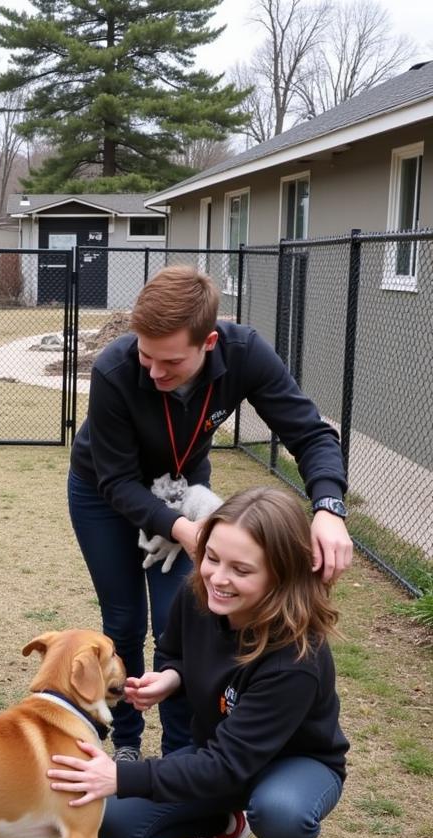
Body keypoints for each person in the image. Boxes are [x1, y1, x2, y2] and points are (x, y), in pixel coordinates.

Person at [68, 265, 352, 762]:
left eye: (171, 362)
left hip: (184, 493)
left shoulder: (246, 354)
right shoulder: (114, 369)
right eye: (146, 355)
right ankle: (128, 740)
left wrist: (328, 509)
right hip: (106, 493)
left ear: (209, 342)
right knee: (125, 620)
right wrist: (185, 530)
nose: (154, 373)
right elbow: (116, 481)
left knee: (186, 625)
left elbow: (311, 434)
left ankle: (184, 750)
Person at [48, 487, 349, 838]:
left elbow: (228, 764)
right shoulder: (200, 596)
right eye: (212, 557)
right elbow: (175, 652)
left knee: (279, 811)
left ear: (280, 576)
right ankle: (223, 823)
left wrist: (120, 774)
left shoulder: (295, 659)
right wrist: (171, 678)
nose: (217, 578)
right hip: (222, 757)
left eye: (241, 569)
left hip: (293, 765)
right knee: (114, 823)